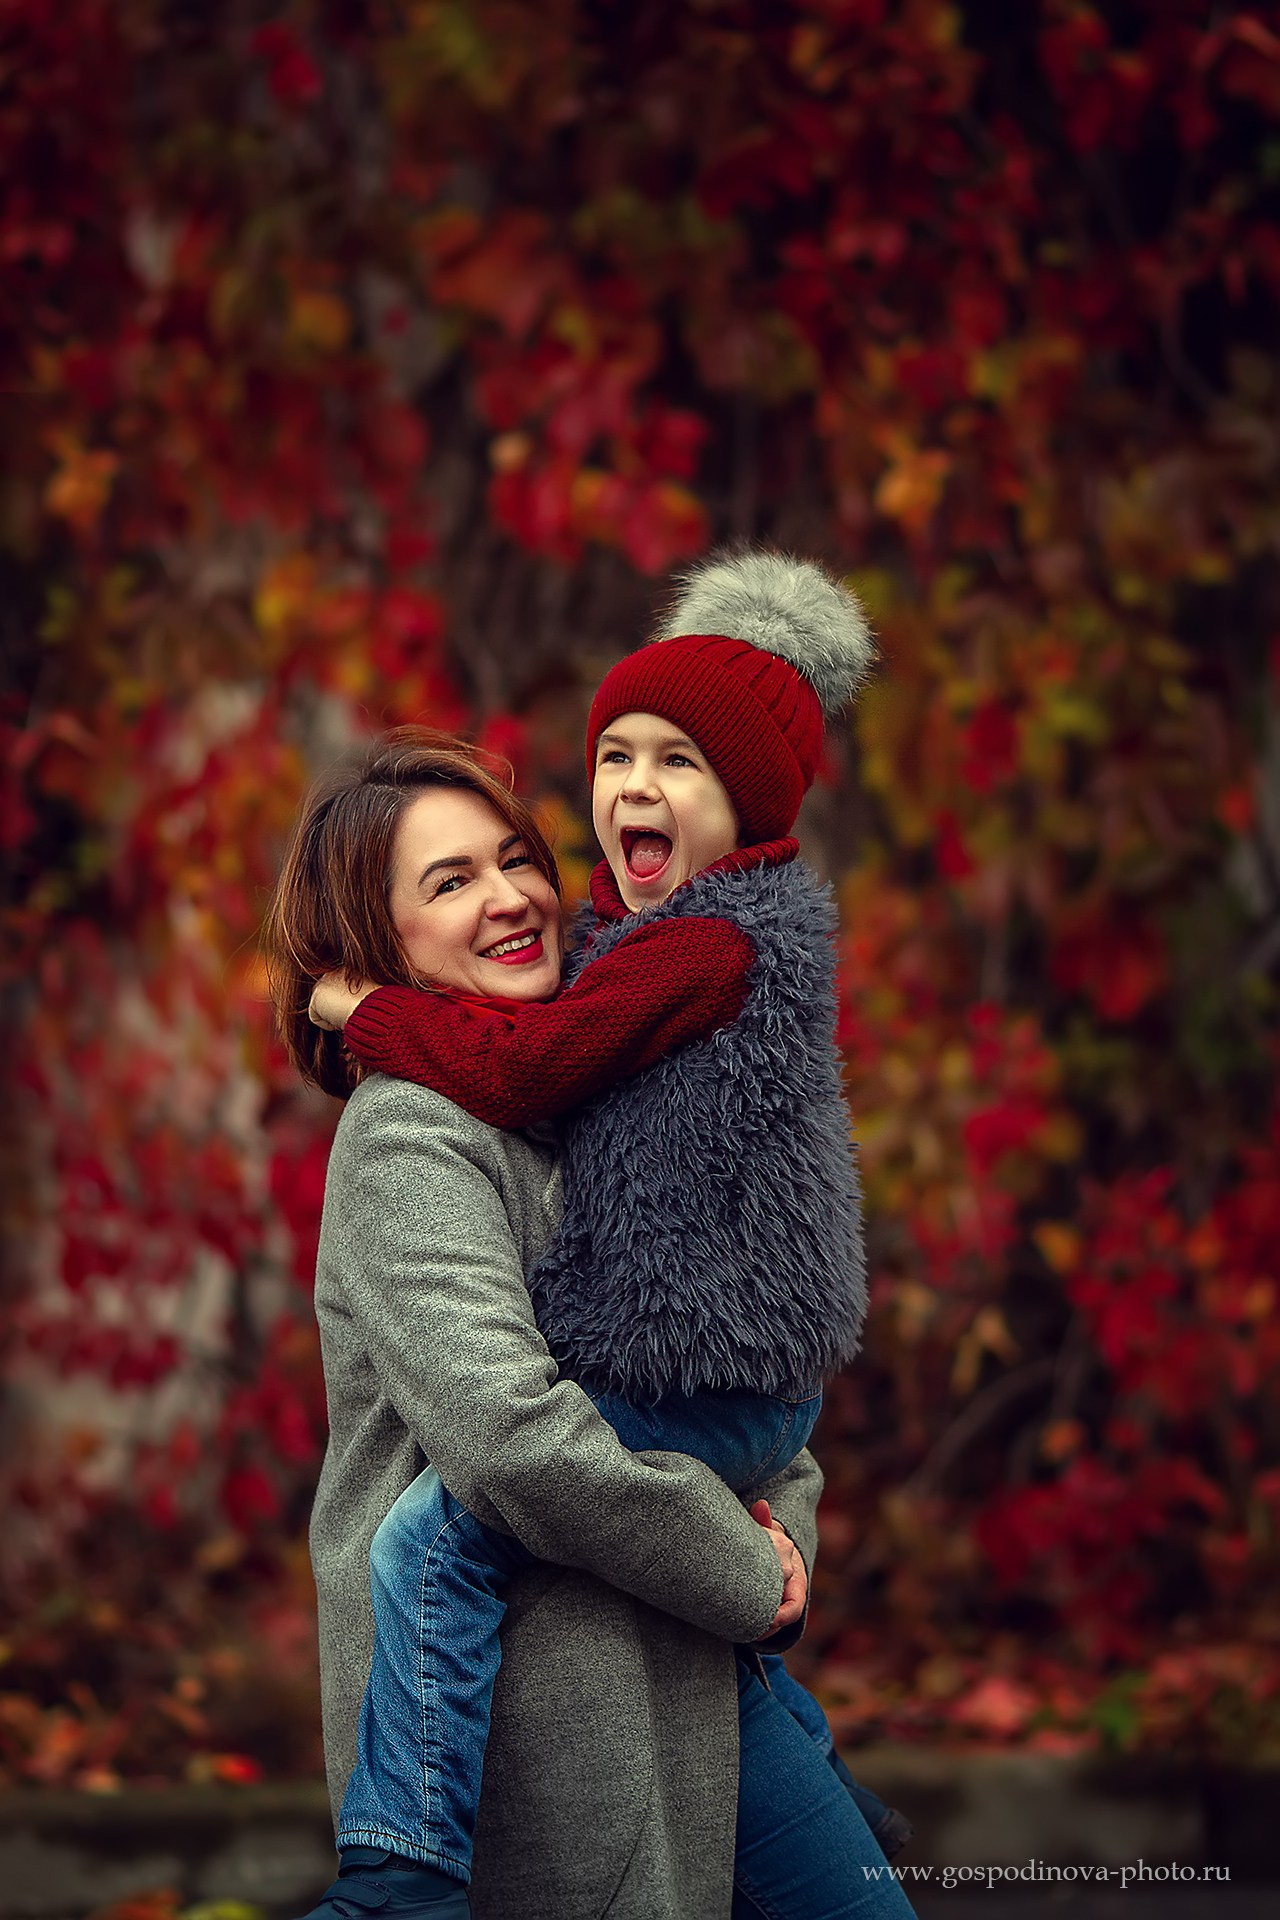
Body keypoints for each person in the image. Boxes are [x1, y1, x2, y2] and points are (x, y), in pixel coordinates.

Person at [311, 552, 917, 1918]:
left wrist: (789, 1555)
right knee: (434, 1543)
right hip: (561, 1722)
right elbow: (514, 1437)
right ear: (380, 934)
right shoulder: (417, 1133)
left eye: (515, 858)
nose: (512, 896)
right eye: (451, 883)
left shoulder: (619, 1050)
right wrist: (739, 1569)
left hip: (695, 1679)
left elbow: (746, 1387)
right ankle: (391, 1883)